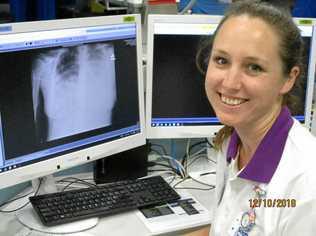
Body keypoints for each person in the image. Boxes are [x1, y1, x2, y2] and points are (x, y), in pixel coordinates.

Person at [190, 0, 316, 235]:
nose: (229, 83)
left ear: (288, 78)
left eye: (254, 67)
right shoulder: (231, 141)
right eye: (222, 60)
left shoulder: (306, 185)